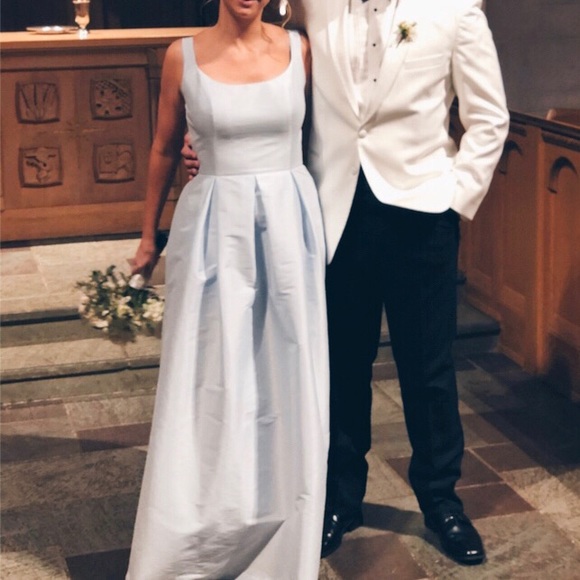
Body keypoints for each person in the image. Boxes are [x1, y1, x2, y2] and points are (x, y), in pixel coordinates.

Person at [184, 0, 509, 568]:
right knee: (341, 367)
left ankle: (441, 502)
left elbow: (490, 117)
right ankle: (340, 499)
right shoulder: (315, 5)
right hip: (333, 212)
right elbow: (266, 63)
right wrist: (212, 143)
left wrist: (454, 197)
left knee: (429, 369)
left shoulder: (456, 10)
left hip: (422, 217)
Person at [126, 1, 329, 578]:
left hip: (288, 228)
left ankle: (285, 522)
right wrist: (148, 237)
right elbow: (164, 147)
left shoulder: (302, 50)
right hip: (213, 228)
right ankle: (203, 524)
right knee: (210, 371)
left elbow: (329, 135)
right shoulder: (182, 57)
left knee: (287, 369)